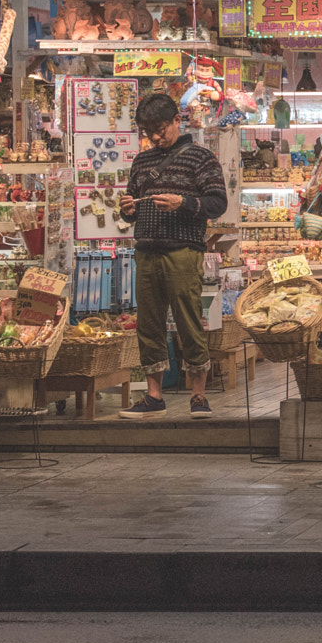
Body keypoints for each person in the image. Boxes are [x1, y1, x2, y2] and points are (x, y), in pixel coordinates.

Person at [118, 93, 227, 419]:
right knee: (148, 326)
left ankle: (198, 395)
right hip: (147, 251)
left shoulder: (201, 158)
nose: (154, 136)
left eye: (161, 128)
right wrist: (126, 210)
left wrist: (185, 203)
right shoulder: (142, 163)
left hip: (183, 251)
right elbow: (132, 209)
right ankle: (154, 396)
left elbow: (217, 203)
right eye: (149, 130)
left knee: (189, 322)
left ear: (177, 121)